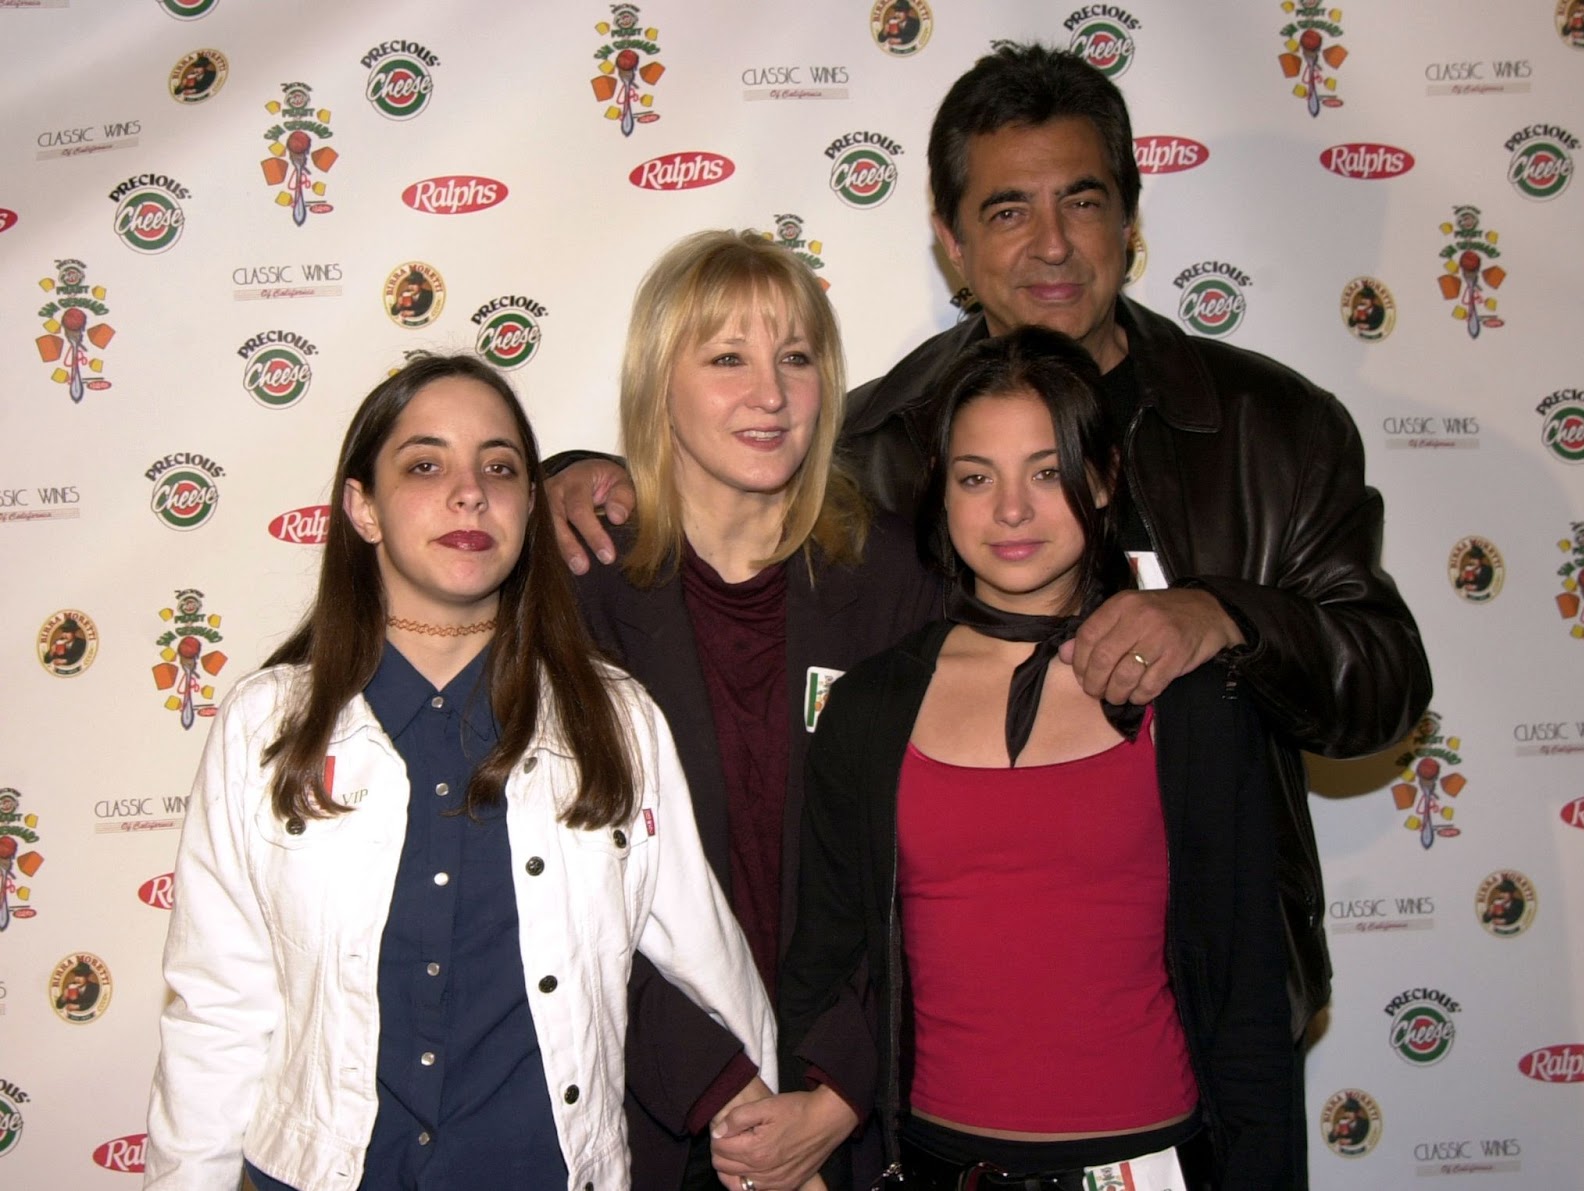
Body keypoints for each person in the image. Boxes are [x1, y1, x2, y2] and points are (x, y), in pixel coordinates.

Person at [546, 42, 1431, 1058]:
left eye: (1083, 202)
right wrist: (577, 472)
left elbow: (1381, 688)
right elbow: (722, 502)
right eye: (1008, 211)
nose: (1050, 245)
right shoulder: (876, 448)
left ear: (1131, 222)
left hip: (1215, 994)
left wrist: (1224, 615)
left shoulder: (1270, 428)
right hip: (967, 1016)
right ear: (951, 244)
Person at [143, 354, 774, 1191]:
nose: (470, 491)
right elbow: (217, 1010)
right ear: (361, 508)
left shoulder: (615, 721)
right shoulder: (267, 726)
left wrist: (774, 1146)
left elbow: (712, 962)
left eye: (501, 467)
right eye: (426, 464)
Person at [780, 326, 1294, 1190]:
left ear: (1104, 480)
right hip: (940, 1165)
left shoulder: (1192, 696)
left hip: (1158, 1163)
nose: (1010, 509)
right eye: (977, 477)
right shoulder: (869, 708)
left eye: (1048, 471)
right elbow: (822, 969)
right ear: (940, 496)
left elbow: (1247, 998)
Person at [572, 230, 941, 1189]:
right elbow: (565, 891)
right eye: (727, 358)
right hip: (660, 1115)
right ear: (660, 382)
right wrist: (729, 1101)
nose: (770, 395)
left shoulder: (901, 576)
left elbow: (932, 869)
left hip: (859, 1118)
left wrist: (834, 1093)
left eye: (796, 358)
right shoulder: (578, 591)